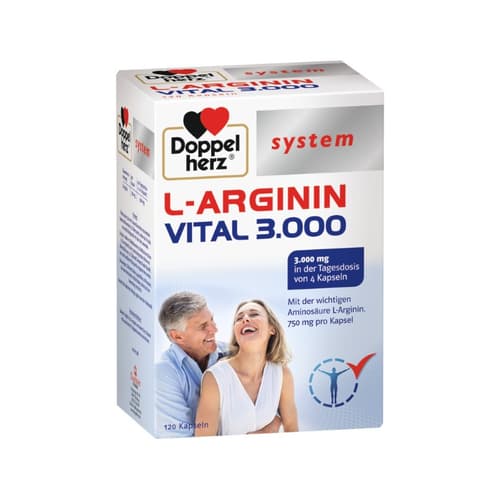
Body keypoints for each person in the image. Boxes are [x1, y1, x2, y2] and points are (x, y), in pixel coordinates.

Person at [156, 292, 281, 437]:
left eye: (212, 320)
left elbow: (277, 409)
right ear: (177, 336)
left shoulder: (233, 353)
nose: (215, 330)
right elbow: (183, 442)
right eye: (203, 326)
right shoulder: (163, 375)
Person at [195, 299, 298, 436]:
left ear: (272, 329)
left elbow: (292, 428)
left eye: (254, 314)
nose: (245, 319)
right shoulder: (214, 378)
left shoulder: (282, 374)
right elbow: (203, 441)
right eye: (239, 318)